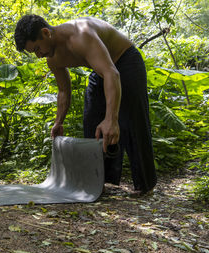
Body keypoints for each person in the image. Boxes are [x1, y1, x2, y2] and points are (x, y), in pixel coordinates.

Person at [14, 14, 157, 194]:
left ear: (46, 33)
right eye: (33, 52)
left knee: (133, 120)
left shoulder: (81, 35)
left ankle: (145, 184)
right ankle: (100, 180)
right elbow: (64, 91)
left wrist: (112, 120)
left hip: (125, 61)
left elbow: (112, 74)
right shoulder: (52, 58)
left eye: (37, 48)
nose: (39, 55)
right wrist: (59, 122)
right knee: (92, 117)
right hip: (102, 68)